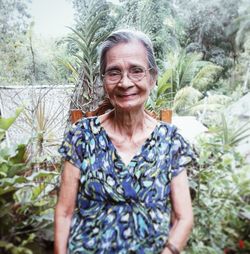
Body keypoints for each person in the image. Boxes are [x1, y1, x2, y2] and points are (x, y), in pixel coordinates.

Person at [54, 29, 195, 254]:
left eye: (136, 71)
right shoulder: (81, 135)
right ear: (104, 80)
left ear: (153, 77)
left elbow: (184, 217)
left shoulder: (171, 141)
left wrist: (168, 251)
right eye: (114, 73)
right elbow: (64, 213)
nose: (125, 82)